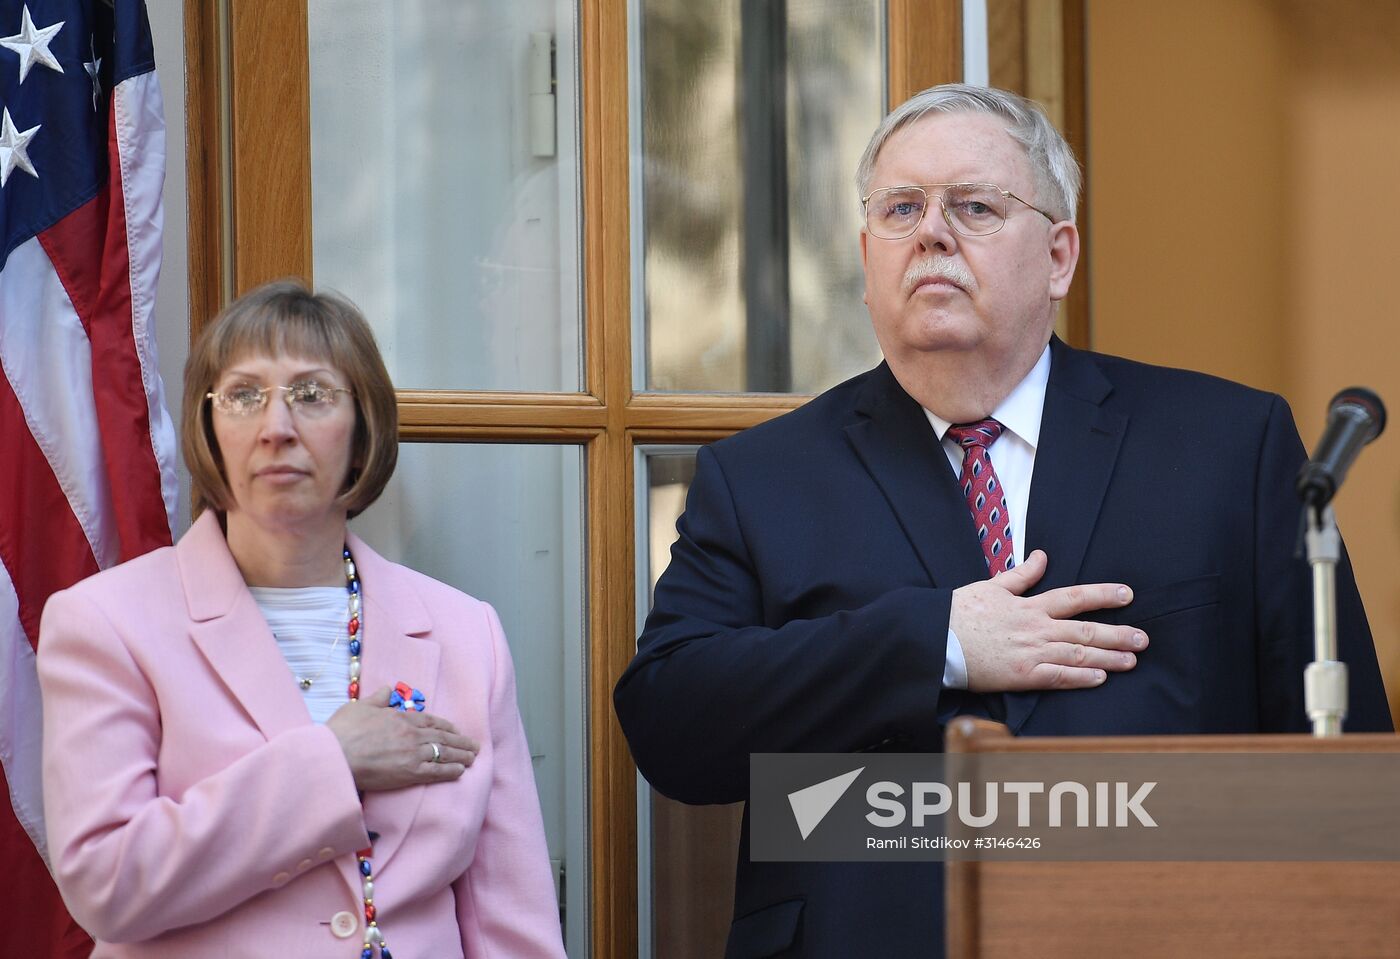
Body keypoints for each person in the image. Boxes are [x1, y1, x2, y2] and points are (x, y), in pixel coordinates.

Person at [613, 84, 1393, 958]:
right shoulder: (762, 476)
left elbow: (1343, 774)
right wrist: (936, 639)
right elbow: (671, 721)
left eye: (974, 206)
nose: (931, 233)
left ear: (1059, 256)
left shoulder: (1228, 447)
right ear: (867, 255)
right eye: (900, 208)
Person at [38, 281, 566, 958]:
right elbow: (107, 881)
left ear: (362, 429)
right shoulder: (104, 622)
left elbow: (512, 925)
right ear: (209, 426)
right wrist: (333, 759)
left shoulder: (466, 632)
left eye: (312, 393)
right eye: (244, 394)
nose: (276, 427)